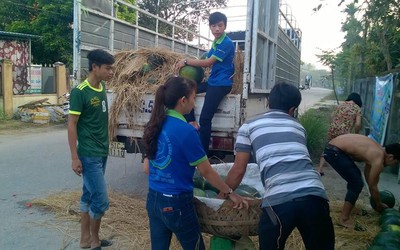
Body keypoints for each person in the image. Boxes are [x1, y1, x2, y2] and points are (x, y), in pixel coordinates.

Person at [224, 82, 335, 250]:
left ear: (269, 103)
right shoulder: (299, 127)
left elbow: (239, 170)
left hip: (279, 202)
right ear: (292, 110)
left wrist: (221, 196)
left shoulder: (248, 127)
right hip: (315, 196)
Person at [142, 76, 248, 250]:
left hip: (153, 199)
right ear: (183, 101)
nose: (194, 102)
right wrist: (229, 192)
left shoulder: (154, 125)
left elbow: (146, 168)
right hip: (177, 204)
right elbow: (206, 171)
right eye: (194, 98)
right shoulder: (187, 131)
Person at [68, 49, 115, 250]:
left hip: (102, 151)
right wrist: (74, 157)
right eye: (107, 68)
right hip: (88, 154)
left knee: (88, 195)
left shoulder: (102, 86)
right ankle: (95, 240)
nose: (111, 72)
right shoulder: (80, 91)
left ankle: (85, 240)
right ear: (94, 67)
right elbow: (72, 125)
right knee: (101, 200)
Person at [176, 11, 235, 154]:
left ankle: (203, 154)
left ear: (225, 26)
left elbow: (208, 62)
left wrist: (186, 61)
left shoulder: (226, 43)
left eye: (220, 25)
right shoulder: (216, 42)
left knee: (205, 118)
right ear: (210, 27)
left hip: (221, 85)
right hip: (213, 82)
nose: (217, 29)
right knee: (187, 90)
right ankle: (190, 120)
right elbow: (204, 57)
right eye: (213, 26)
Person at [323, 134, 400, 228]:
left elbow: (369, 177)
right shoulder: (378, 159)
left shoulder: (377, 150)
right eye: (395, 163)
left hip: (332, 148)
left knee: (356, 179)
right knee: (356, 183)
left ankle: (351, 208)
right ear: (391, 157)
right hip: (334, 152)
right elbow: (373, 187)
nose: (392, 165)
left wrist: (375, 196)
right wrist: (378, 203)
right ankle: (344, 219)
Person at [317, 92, 362, 175]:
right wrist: (356, 134)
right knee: (347, 151)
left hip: (332, 130)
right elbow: (358, 124)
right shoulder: (357, 108)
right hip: (344, 134)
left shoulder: (340, 104)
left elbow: (331, 116)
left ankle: (320, 169)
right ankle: (345, 170)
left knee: (328, 148)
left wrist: (333, 126)